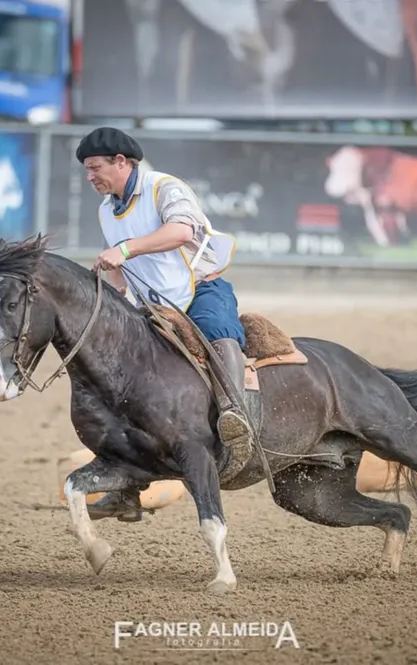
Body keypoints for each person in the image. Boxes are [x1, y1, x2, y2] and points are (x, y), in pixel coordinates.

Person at [75, 126, 254, 465]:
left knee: (216, 328)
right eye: (87, 170)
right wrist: (115, 294)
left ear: (121, 161)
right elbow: (116, 264)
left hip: (200, 289)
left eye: (95, 168)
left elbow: (181, 231)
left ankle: (235, 414)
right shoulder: (106, 210)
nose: (89, 176)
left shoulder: (164, 188)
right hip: (150, 305)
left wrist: (124, 250)